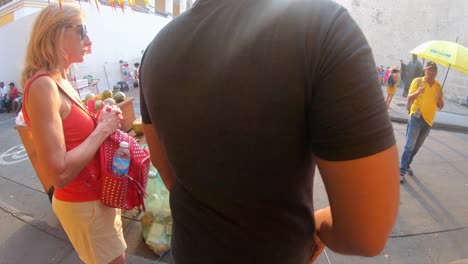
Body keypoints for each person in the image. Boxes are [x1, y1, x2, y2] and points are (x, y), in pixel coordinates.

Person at [140, 0, 399, 263]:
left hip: (190, 252)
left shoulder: (154, 52)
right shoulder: (319, 27)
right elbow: (365, 231)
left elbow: (169, 175)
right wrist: (317, 225)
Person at [20, 5, 126, 264]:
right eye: (82, 31)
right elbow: (60, 173)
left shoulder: (60, 80)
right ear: (56, 33)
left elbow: (74, 136)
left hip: (95, 199)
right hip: (83, 204)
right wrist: (103, 129)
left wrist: (99, 120)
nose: (88, 40)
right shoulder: (44, 86)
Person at [400, 61, 444, 183]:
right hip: (416, 117)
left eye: (433, 70)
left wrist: (440, 97)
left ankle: (407, 164)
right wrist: (418, 92)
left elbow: (441, 106)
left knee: (416, 148)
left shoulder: (438, 86)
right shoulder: (418, 81)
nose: (431, 72)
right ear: (424, 70)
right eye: (429, 69)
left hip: (429, 121)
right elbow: (409, 98)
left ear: (436, 72)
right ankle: (401, 171)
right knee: (409, 146)